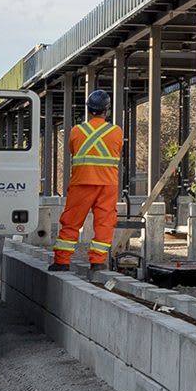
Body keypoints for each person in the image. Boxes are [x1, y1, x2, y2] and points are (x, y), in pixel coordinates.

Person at [54, 90, 122, 273]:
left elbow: (72, 150)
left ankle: (61, 262)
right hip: (107, 185)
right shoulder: (116, 132)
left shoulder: (77, 131)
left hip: (81, 183)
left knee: (71, 222)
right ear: (106, 110)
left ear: (89, 109)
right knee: (104, 223)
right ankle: (98, 263)